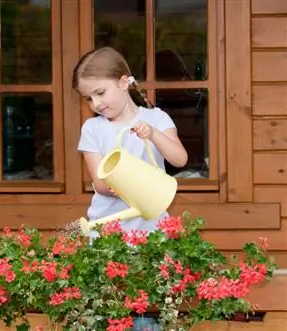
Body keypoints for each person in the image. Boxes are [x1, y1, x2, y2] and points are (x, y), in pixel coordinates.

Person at [73, 46, 188, 331]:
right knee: (108, 300)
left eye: (100, 93)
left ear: (124, 82)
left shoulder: (156, 119)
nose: (96, 103)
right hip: (109, 232)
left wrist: (154, 134)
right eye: (88, 98)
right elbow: (101, 184)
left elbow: (179, 159)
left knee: (148, 300)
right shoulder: (93, 128)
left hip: (151, 230)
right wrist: (136, 182)